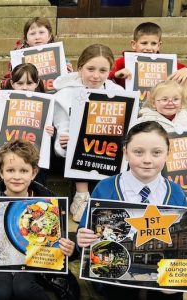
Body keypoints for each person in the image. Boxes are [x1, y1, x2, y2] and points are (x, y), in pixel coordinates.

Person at [76, 121, 187, 300]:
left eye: (157, 152)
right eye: (138, 152)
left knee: (169, 291)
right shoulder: (106, 188)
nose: (147, 159)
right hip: (115, 278)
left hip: (162, 277)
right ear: (125, 153)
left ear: (168, 154)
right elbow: (84, 233)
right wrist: (82, 238)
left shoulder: (175, 192)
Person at [0, 139, 78, 300]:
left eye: (23, 171)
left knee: (23, 287)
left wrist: (70, 250)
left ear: (34, 172)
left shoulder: (49, 202)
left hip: (33, 263)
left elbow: (62, 246)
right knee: (1, 289)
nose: (17, 177)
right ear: (1, 172)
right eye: (10, 170)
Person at [52, 44, 124, 223]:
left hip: (108, 154)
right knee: (81, 140)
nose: (96, 76)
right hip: (72, 156)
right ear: (80, 68)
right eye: (90, 69)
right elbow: (62, 127)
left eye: (103, 70)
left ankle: (109, 197)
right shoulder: (64, 95)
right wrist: (64, 142)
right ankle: (81, 195)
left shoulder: (119, 94)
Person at [0, 63, 55, 184]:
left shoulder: (46, 104)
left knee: (37, 173)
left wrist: (52, 132)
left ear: (37, 82)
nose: (24, 87)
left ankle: (37, 196)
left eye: (29, 83)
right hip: (10, 157)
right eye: (20, 83)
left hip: (35, 158)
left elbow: (52, 135)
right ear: (12, 83)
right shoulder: (3, 102)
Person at [109, 22, 187, 101]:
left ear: (159, 45)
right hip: (132, 103)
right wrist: (116, 74)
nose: (149, 48)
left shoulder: (164, 62)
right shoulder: (124, 61)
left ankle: (180, 107)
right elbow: (105, 75)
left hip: (161, 105)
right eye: (144, 43)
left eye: (153, 44)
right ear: (134, 44)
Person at [0, 17, 72, 91]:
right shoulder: (18, 57)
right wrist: (13, 81)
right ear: (26, 39)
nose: (37, 37)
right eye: (32, 34)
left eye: (41, 32)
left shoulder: (59, 56)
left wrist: (68, 73)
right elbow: (4, 83)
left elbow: (67, 84)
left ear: (49, 36)